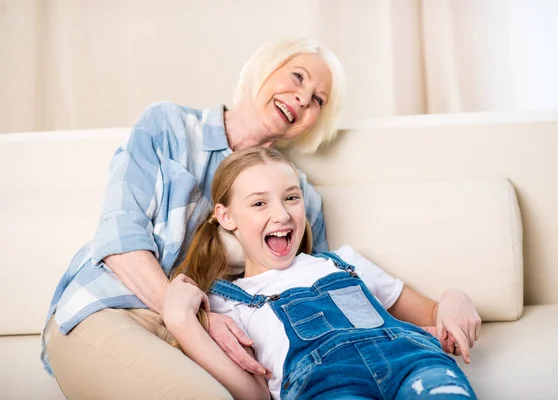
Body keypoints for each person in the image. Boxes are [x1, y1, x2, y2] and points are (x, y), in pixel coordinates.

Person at [42, 38, 345, 399]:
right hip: (113, 307)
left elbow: (311, 296)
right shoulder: (168, 126)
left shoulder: (303, 199)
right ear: (265, 68)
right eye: (297, 77)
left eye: (317, 100)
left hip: (204, 341)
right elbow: (119, 240)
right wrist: (196, 318)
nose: (302, 98)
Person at [163, 147, 481, 400]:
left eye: (291, 197)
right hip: (328, 387)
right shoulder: (224, 303)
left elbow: (433, 311)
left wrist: (455, 298)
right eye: (259, 203)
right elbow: (255, 394)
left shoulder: (342, 262)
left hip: (415, 363)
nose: (282, 214)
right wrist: (180, 321)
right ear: (227, 216)